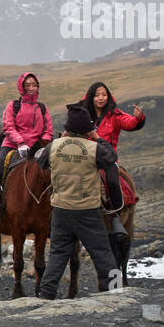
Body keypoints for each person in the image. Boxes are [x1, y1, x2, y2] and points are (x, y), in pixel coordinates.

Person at [34, 103, 124, 299]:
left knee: (57, 255)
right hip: (88, 211)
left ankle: (45, 296)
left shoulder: (55, 146)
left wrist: (62, 140)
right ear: (88, 129)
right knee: (102, 254)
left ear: (67, 128)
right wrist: (98, 138)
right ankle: (116, 293)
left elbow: (39, 159)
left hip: (60, 210)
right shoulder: (94, 149)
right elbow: (111, 158)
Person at [0, 72, 54, 225]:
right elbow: (8, 126)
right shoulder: (13, 105)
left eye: (34, 85)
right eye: (28, 85)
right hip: (12, 145)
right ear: (21, 87)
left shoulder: (42, 108)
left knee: (53, 171)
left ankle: (55, 207)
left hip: (36, 147)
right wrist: (20, 143)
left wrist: (43, 144)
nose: (32, 88)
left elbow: (48, 130)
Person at [83, 81, 145, 155]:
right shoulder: (83, 116)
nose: (101, 98)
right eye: (97, 95)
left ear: (108, 97)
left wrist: (138, 118)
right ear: (91, 98)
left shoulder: (114, 115)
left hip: (107, 160)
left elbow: (128, 122)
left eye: (104, 95)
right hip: (87, 161)